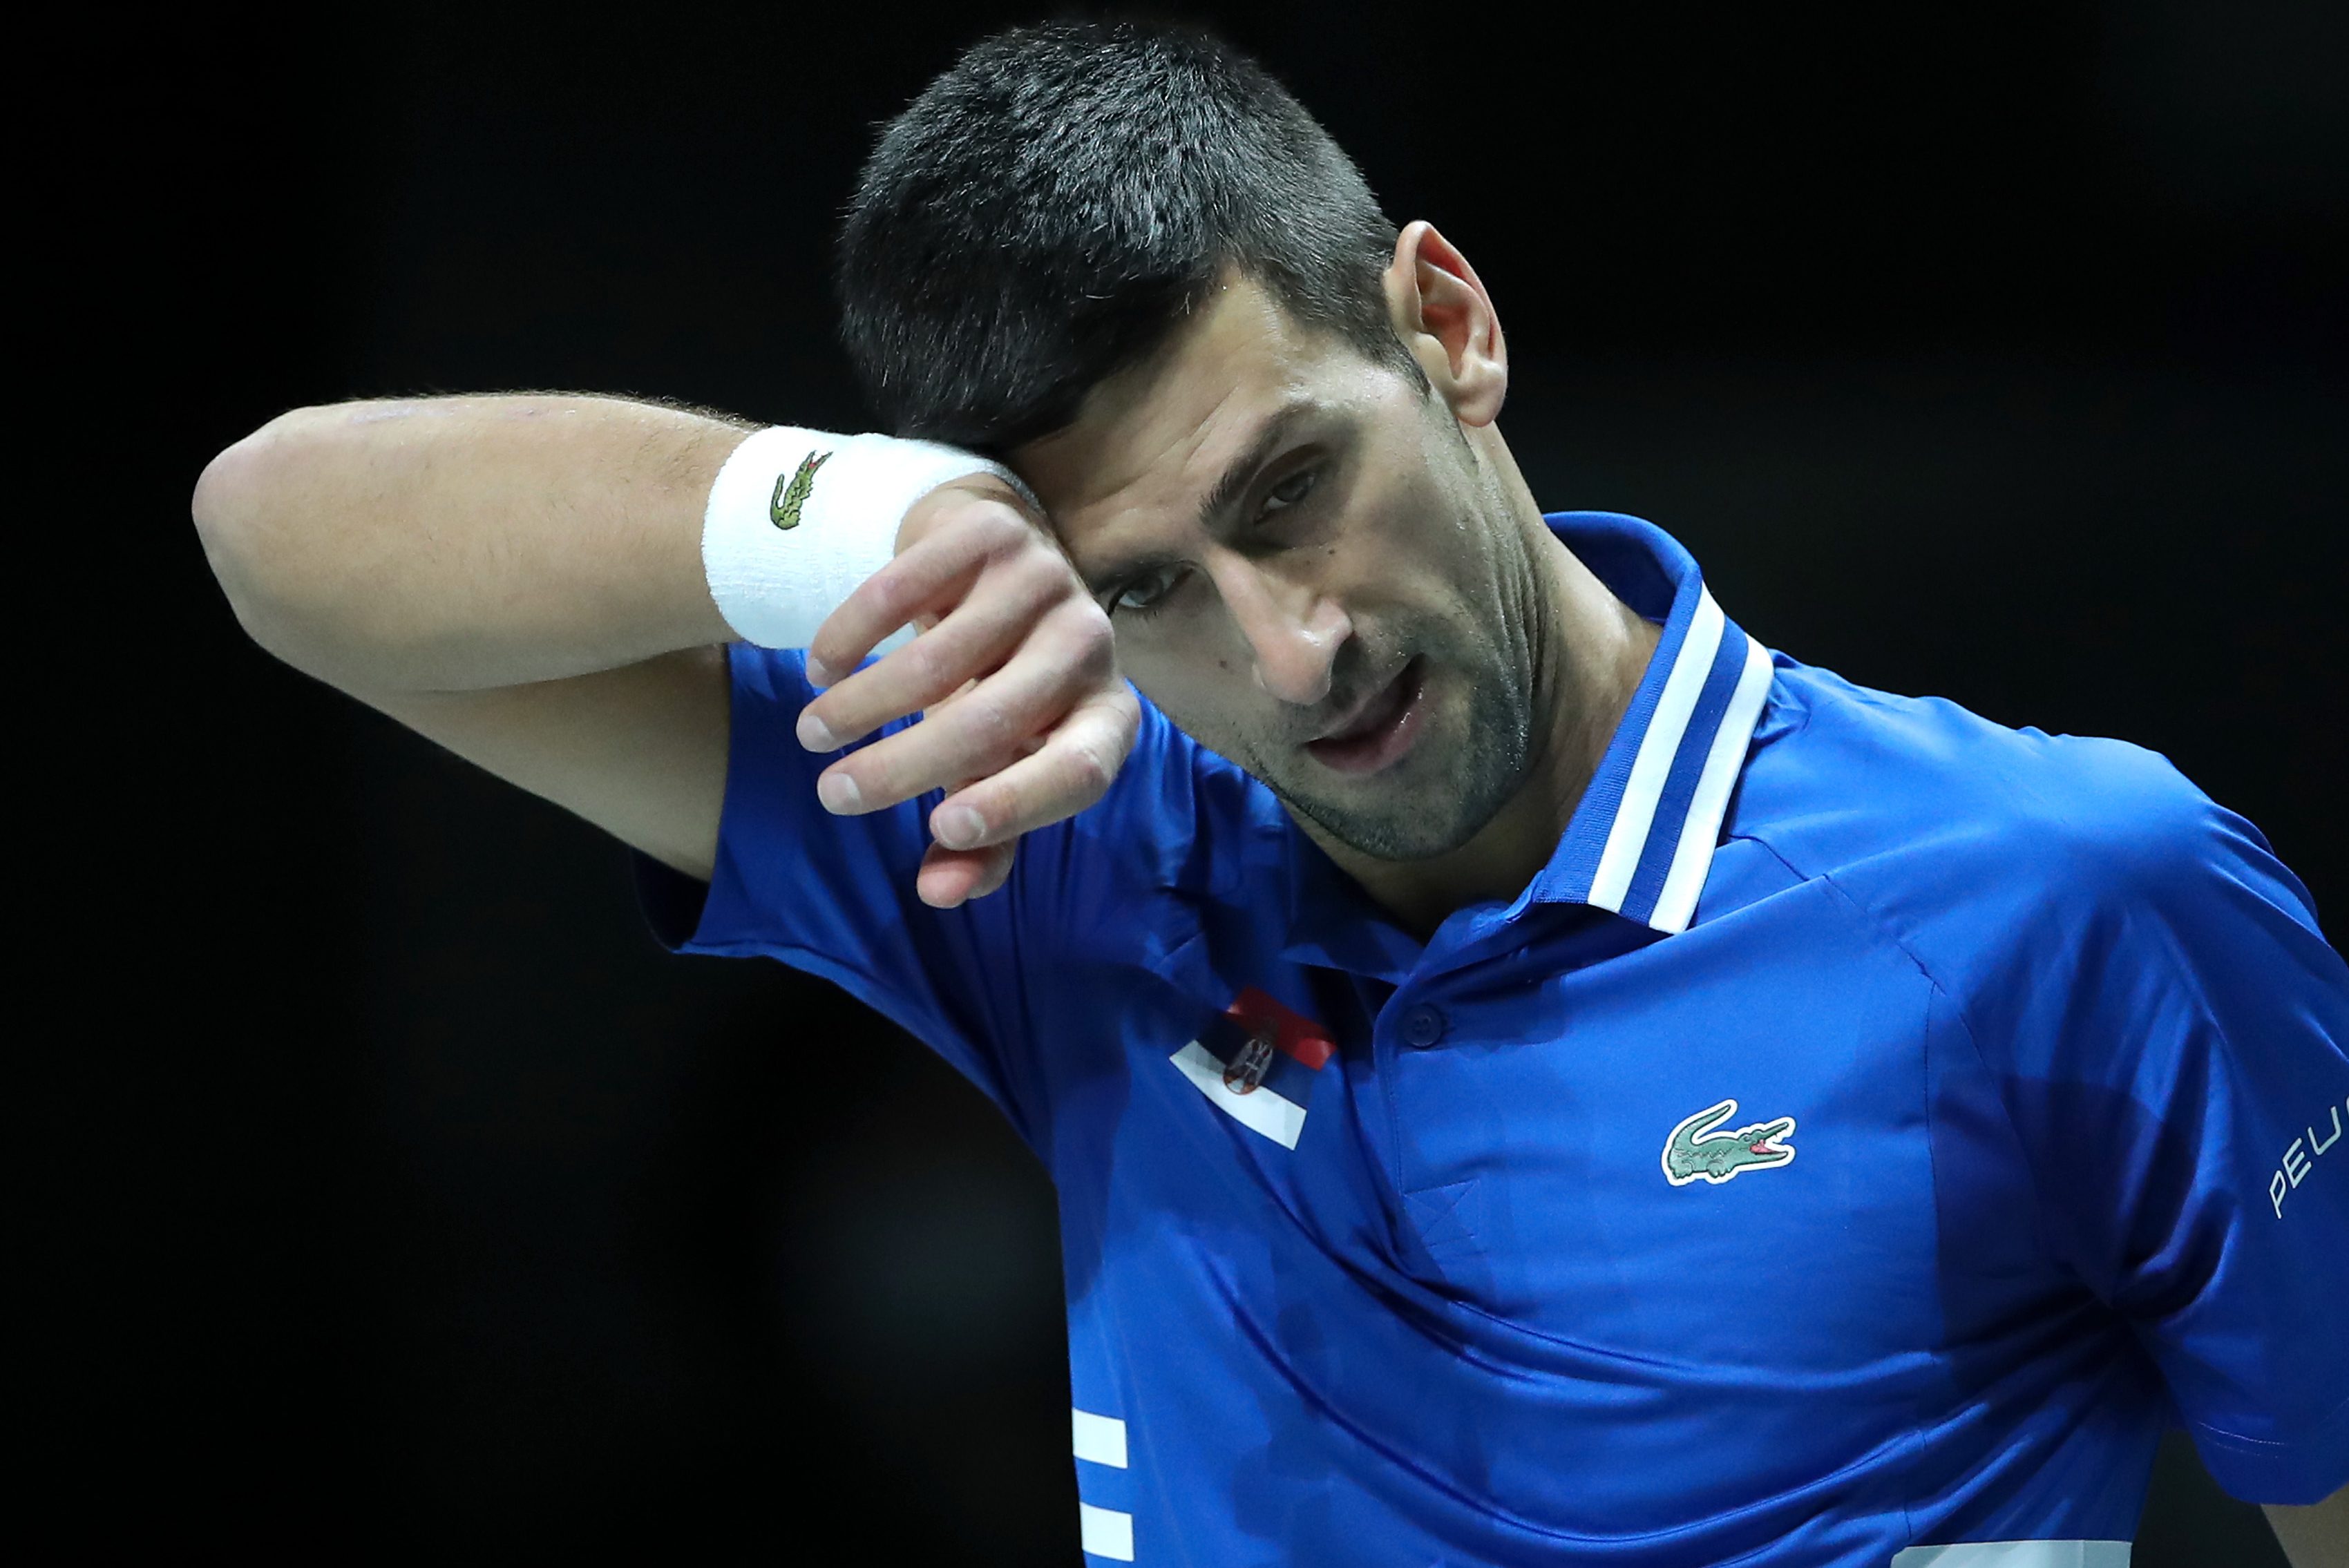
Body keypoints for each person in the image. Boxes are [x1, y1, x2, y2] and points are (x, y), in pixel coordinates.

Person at [191, 19, 2346, 1568]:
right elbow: (282, 539)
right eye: (1147, 586)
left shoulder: (2072, 898)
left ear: (1449, 323)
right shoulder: (1060, 840)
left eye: (1294, 487)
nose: (1290, 651)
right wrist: (839, 526)